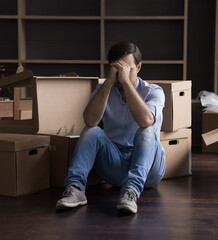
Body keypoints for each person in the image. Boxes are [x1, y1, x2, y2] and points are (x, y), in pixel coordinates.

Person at [56, 42, 166, 214]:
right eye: (116, 68)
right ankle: (75, 189)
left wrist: (126, 83)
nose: (121, 73)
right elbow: (90, 121)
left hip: (149, 169)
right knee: (91, 131)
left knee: (147, 130)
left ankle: (131, 192)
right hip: (115, 166)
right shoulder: (104, 89)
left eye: (127, 69)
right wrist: (108, 83)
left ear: (138, 67)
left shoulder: (153, 91)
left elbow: (146, 120)